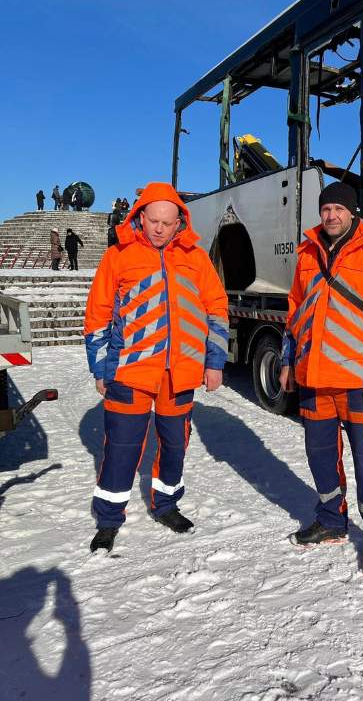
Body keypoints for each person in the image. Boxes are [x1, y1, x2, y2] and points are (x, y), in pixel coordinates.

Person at [82, 183, 229, 554]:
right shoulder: (118, 256)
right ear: (140, 217)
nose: (160, 229)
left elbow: (217, 309)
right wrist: (100, 368)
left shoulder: (196, 257)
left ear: (180, 221)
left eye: (168, 222)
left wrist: (214, 364)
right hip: (130, 372)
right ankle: (109, 519)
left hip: (180, 374)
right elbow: (98, 315)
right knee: (121, 447)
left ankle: (165, 505)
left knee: (175, 445)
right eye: (153, 221)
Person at [279, 182, 363, 576]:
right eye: (326, 208)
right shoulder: (307, 253)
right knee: (320, 458)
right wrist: (287, 362)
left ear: (353, 212)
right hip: (314, 380)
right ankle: (332, 522)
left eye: (339, 208)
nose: (331, 215)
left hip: (359, 382)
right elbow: (295, 312)